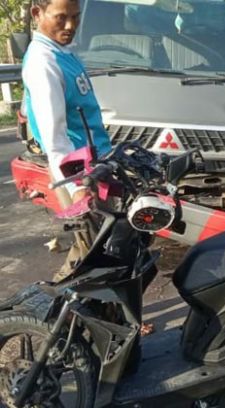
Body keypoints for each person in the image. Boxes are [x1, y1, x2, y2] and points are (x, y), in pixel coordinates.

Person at [22, 0, 112, 280]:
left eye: (76, 17)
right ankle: (56, 311)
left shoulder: (62, 52)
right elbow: (55, 138)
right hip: (77, 173)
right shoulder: (43, 62)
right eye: (61, 17)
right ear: (38, 13)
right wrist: (76, 189)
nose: (71, 26)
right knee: (90, 253)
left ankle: (107, 316)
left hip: (94, 165)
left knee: (102, 247)